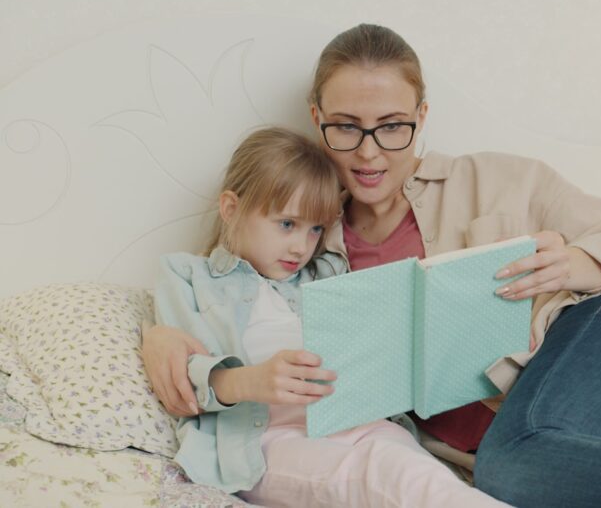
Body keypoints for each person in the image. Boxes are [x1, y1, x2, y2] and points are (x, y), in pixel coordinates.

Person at [144, 25, 601, 507]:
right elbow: (232, 292)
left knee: (513, 462)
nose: (370, 151)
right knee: (513, 472)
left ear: (422, 117)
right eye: (346, 128)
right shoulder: (307, 247)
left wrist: (579, 262)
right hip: (579, 443)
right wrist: (158, 336)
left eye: (393, 127)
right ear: (317, 118)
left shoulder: (501, 180)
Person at [152, 127, 509, 507]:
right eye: (287, 224)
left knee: (428, 481)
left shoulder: (326, 274)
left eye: (315, 229)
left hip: (360, 425)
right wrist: (250, 381)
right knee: (382, 477)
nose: (300, 246)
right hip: (266, 440)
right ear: (231, 208)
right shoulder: (189, 277)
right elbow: (182, 379)